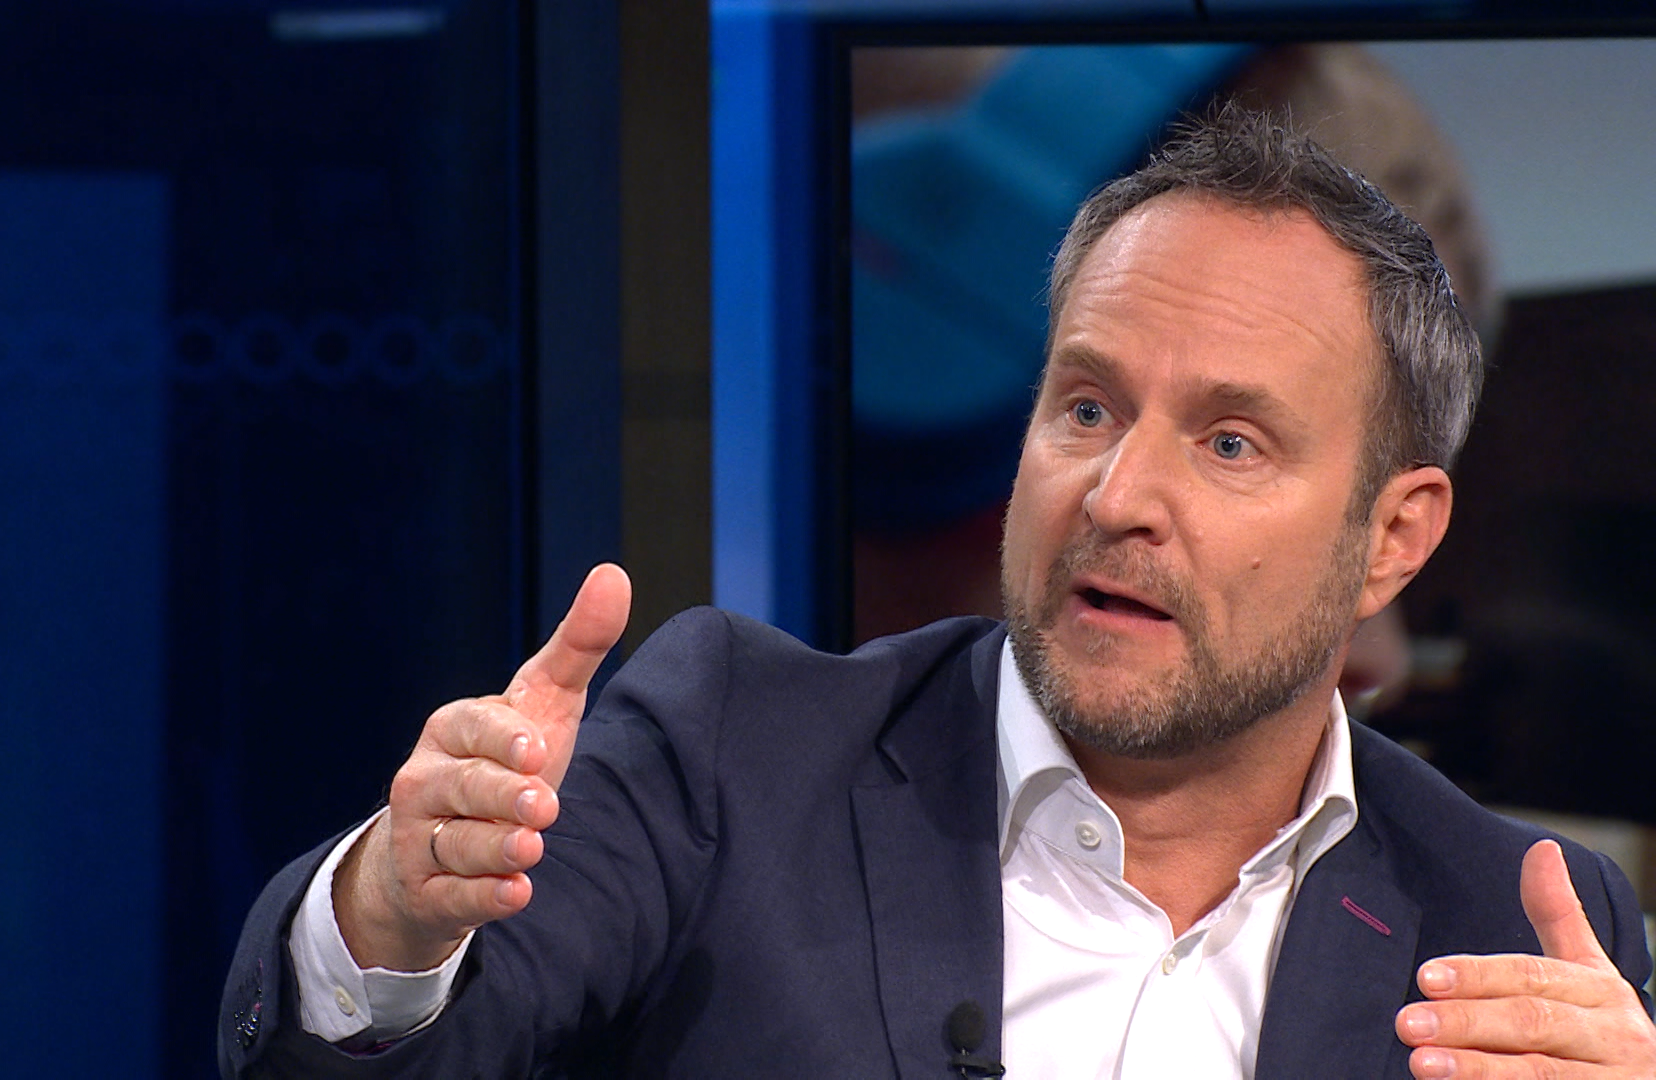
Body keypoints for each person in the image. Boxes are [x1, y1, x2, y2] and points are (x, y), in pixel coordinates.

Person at [219, 107, 1656, 1078]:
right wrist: (395, 920)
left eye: (1230, 442)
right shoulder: (735, 751)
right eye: (1086, 408)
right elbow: (408, 1047)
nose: (1117, 495)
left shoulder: (1517, 917)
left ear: (1394, 537)